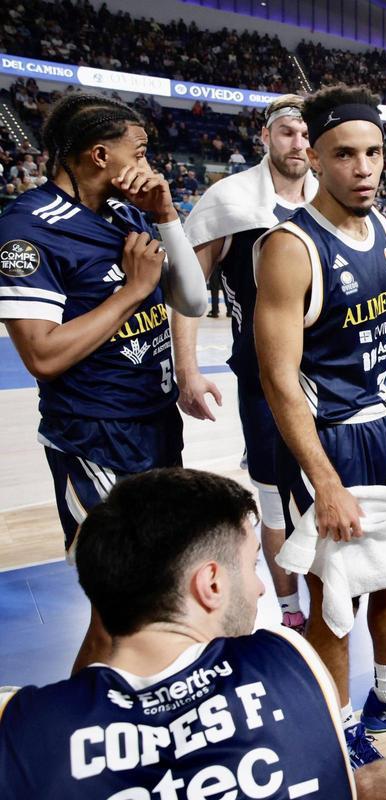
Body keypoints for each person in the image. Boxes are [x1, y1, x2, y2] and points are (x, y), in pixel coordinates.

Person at [0, 468, 386, 800]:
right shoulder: (287, 658)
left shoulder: (26, 721)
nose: (261, 588)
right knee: (384, 779)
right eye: (251, 566)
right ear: (210, 584)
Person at [254, 85, 386, 765]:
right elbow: (278, 382)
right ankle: (336, 720)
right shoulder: (290, 247)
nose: (365, 167)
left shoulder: (377, 228)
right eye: (346, 154)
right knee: (333, 599)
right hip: (330, 439)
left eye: (374, 152)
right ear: (314, 156)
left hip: (384, 433)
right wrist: (325, 483)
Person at [0, 92, 208, 674]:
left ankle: (148, 704)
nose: (150, 163)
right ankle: (86, 724)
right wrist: (133, 292)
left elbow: (194, 298)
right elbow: (41, 355)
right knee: (122, 601)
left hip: (156, 424)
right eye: (138, 151)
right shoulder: (26, 229)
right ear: (98, 155)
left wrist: (166, 214)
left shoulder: (129, 211)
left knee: (160, 587)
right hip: (95, 435)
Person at [173, 93, 319, 634]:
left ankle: (332, 593)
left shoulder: (328, 196)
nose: (299, 144)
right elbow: (188, 291)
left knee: (327, 489)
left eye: (307, 134)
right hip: (263, 379)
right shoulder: (228, 199)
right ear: (265, 137)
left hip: (328, 379)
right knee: (274, 496)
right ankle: (288, 608)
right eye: (287, 133)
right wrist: (187, 369)